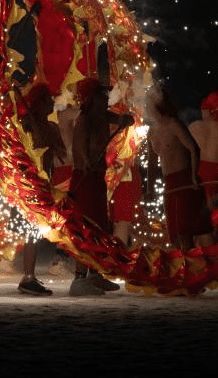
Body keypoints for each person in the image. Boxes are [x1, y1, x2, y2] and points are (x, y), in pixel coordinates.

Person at [68, 78, 132, 296]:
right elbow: (80, 149)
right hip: (84, 178)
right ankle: (79, 278)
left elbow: (121, 118)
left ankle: (95, 274)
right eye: (101, 96)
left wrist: (126, 120)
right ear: (91, 99)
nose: (106, 100)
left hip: (97, 179)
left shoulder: (102, 117)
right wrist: (86, 161)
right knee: (85, 227)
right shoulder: (84, 119)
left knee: (99, 228)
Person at [146, 89, 213, 250]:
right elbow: (152, 163)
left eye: (149, 104)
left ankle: (191, 265)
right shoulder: (152, 131)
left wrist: (194, 176)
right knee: (174, 232)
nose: (147, 108)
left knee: (185, 231)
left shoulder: (174, 124)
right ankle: (183, 264)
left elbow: (193, 148)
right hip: (169, 183)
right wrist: (149, 188)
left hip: (184, 179)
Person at [14, 83, 59, 295]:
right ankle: (28, 277)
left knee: (37, 231)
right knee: (31, 231)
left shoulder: (50, 127)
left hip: (45, 182)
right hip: (30, 183)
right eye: (48, 99)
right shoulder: (26, 125)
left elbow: (59, 152)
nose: (52, 102)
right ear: (39, 102)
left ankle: (30, 275)